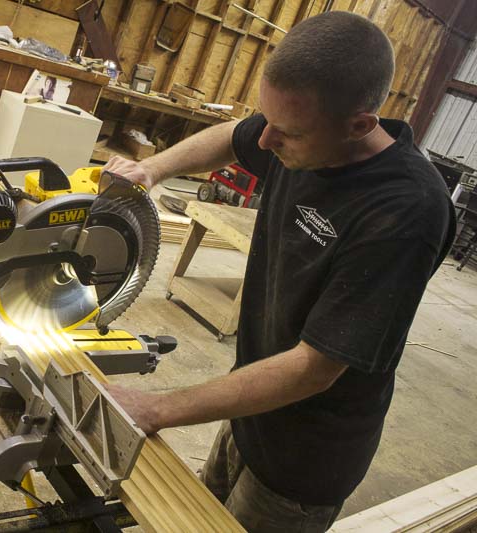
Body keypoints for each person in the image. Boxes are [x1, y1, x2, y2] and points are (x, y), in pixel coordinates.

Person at [103, 11, 455, 533]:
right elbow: (234, 135)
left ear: (359, 126)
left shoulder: (406, 212)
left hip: (304, 459)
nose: (265, 142)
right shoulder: (304, 133)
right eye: (265, 119)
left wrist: (158, 408)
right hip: (250, 407)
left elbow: (314, 368)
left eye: (286, 133)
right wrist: (151, 169)